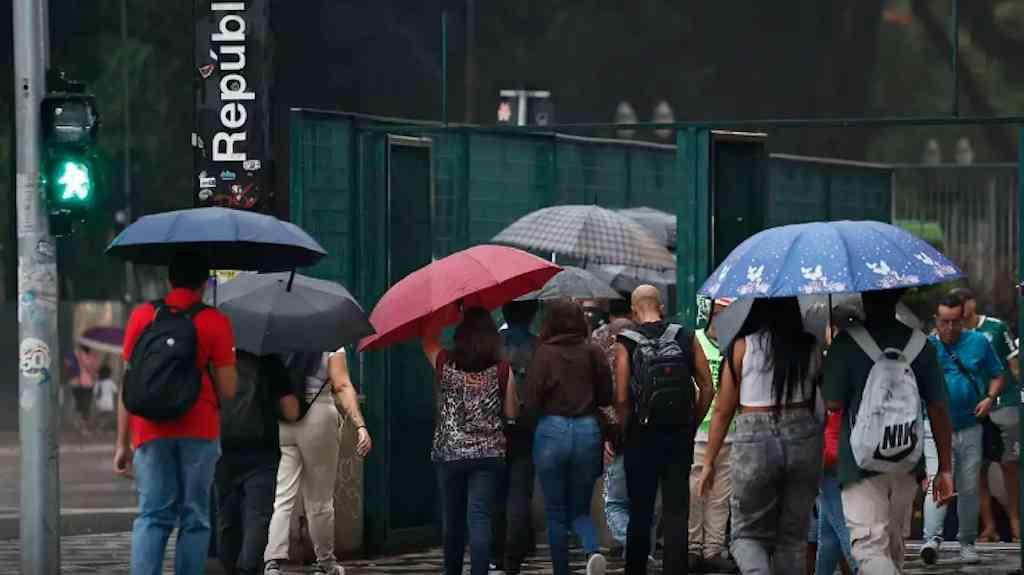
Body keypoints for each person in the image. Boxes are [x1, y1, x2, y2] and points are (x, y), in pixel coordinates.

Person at [114, 253, 238, 575]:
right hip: (200, 429)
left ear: (169, 280)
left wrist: (121, 443)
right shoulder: (215, 321)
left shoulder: (143, 316)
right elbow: (229, 389)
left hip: (149, 429)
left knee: (152, 515)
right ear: (204, 283)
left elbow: (128, 383)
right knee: (195, 516)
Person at [823, 289, 955, 575]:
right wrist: (944, 468)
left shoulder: (846, 342)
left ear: (863, 297)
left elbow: (832, 402)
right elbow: (938, 407)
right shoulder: (920, 344)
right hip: (907, 459)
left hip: (860, 463)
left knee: (870, 548)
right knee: (894, 547)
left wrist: (832, 365)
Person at [696, 297, 822, 575]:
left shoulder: (742, 346)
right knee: (793, 538)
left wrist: (708, 462)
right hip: (803, 437)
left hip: (755, 441)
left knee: (747, 535)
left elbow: (723, 411)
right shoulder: (811, 346)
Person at [618, 286, 714, 575]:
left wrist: (624, 431)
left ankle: (636, 568)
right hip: (678, 436)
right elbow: (707, 387)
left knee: (640, 510)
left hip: (640, 436)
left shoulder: (626, 341)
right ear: (660, 306)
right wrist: (691, 422)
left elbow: (621, 398)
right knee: (676, 511)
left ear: (634, 310)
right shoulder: (686, 336)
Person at [422, 308, 519, 575]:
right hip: (488, 454)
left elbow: (427, 339)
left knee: (452, 519)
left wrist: (445, 311)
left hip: (450, 453)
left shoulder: (445, 363)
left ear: (460, 335)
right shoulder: (502, 370)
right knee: (479, 517)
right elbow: (512, 412)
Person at [263, 349, 373, 575]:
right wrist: (360, 425)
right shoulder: (329, 340)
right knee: (319, 499)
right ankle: (326, 563)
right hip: (318, 412)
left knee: (282, 496)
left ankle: (273, 561)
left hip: (283, 415)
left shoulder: (277, 336)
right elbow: (341, 385)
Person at [527, 298, 614, 575]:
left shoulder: (543, 353)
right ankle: (592, 550)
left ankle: (561, 570)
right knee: (581, 509)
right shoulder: (593, 352)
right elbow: (606, 396)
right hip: (587, 430)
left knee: (555, 513)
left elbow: (531, 400)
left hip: (551, 431)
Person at [920, 292, 1005, 565]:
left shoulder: (979, 342)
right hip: (934, 426)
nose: (949, 328)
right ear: (936, 320)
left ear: (963, 319)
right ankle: (931, 539)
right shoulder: (926, 347)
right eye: (944, 322)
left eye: (955, 322)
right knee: (936, 479)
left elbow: (998, 375)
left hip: (970, 425)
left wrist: (989, 398)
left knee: (969, 487)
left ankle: (966, 541)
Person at [217, 352, 300, 575]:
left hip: (222, 450)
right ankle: (248, 568)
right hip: (262, 452)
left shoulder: (214, 360)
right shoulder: (269, 361)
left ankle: (228, 567)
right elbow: (291, 411)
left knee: (227, 518)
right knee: (258, 517)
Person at [950, 287, 1021, 542]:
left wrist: (1013, 389)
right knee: (977, 467)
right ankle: (988, 526)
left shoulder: (996, 328)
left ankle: (1015, 522)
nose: (961, 309)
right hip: (973, 406)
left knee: (1010, 463)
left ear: (972, 302)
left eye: (964, 302)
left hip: (1004, 402)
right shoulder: (954, 334)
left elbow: (1014, 364)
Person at [688, 297, 738, 573]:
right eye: (719, 313)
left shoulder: (738, 344)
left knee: (721, 495)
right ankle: (692, 546)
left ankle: (713, 549)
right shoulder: (695, 340)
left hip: (732, 430)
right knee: (696, 490)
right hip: (701, 429)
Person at [493, 300, 540, 575]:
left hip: (493, 426)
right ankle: (515, 554)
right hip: (528, 427)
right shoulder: (539, 347)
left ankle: (496, 552)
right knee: (520, 492)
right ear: (533, 314)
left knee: (495, 491)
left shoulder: (492, 345)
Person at [592, 298, 636, 554]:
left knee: (615, 500)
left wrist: (607, 432)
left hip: (613, 430)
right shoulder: (643, 337)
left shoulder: (598, 339)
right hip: (644, 427)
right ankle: (639, 549)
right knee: (642, 500)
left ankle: (632, 546)